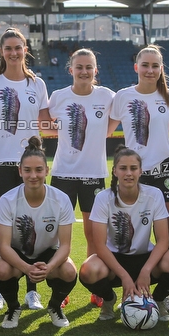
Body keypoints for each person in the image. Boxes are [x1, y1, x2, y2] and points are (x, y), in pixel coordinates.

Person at [0, 28, 51, 312]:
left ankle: (32, 291)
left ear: (25, 49)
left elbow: (46, 124)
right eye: (8, 48)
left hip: (29, 164)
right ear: (1, 52)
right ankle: (0, 291)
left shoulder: (38, 84)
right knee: (2, 228)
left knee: (28, 226)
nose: (14, 52)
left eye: (18, 48)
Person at [110, 44, 169, 311]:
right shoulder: (123, 96)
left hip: (163, 169)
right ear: (136, 68)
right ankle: (128, 289)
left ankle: (162, 293)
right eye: (146, 65)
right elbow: (105, 131)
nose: (150, 70)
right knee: (129, 227)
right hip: (133, 171)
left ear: (161, 68)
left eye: (155, 66)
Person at [79, 147, 169, 323]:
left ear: (140, 171)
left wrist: (146, 270)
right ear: (115, 171)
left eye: (133, 168)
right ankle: (109, 300)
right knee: (88, 271)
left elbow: (162, 241)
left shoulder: (153, 195)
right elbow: (99, 245)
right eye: (123, 168)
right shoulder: (103, 198)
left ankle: (158, 299)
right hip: (114, 260)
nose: (128, 173)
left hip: (145, 259)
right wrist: (124, 276)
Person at [0, 137, 78, 328]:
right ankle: (13, 308)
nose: (33, 175)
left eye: (39, 170)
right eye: (28, 170)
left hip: (48, 254)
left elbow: (65, 246)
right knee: (2, 268)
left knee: (68, 270)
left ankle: (55, 306)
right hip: (17, 254)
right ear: (20, 171)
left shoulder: (61, 199)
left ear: (47, 171)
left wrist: (49, 267)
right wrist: (26, 268)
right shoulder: (7, 201)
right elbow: (4, 247)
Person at [48, 49, 117, 260]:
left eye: (88, 67)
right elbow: (47, 126)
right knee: (58, 235)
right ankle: (62, 288)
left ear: (95, 70)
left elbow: (109, 129)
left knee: (93, 234)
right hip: (63, 174)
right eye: (79, 67)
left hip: (93, 174)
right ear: (71, 70)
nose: (84, 71)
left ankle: (93, 286)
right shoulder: (58, 97)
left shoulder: (107, 96)